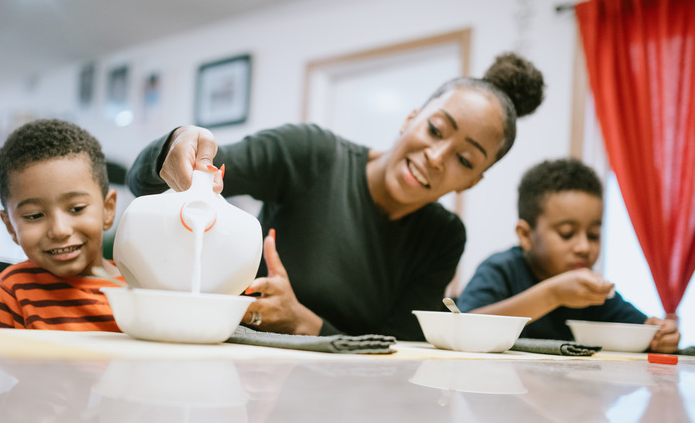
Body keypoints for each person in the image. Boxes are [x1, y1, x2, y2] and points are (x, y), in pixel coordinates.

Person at [128, 52, 545, 341]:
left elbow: (398, 351)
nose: (436, 158)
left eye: (465, 159)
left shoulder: (443, 236)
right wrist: (180, 144)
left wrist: (304, 322)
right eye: (435, 130)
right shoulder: (311, 154)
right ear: (410, 119)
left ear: (472, 181)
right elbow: (145, 183)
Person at [457, 158, 680, 353]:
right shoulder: (501, 269)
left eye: (593, 235)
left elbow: (645, 329)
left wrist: (661, 335)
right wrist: (553, 294)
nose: (583, 246)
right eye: (567, 234)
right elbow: (464, 327)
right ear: (525, 235)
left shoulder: (592, 291)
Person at [0, 119, 125, 330]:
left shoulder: (141, 286)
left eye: (77, 208)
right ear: (11, 227)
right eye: (34, 216)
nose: (60, 230)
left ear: (108, 210)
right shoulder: (15, 289)